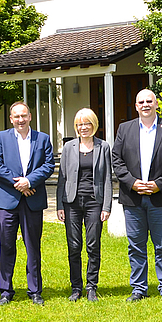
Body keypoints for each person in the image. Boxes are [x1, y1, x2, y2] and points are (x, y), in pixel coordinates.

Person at [111, 89, 162, 303]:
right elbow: (117, 160)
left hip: (160, 197)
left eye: (149, 101)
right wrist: (132, 183)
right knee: (135, 245)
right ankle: (139, 288)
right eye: (141, 102)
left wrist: (158, 185)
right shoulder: (124, 129)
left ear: (156, 105)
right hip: (132, 197)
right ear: (135, 106)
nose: (145, 105)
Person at [0, 101, 55, 305]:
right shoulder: (1, 137)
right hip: (8, 200)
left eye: (24, 115)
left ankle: (35, 291)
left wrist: (30, 181)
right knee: (6, 246)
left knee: (33, 247)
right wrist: (19, 183)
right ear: (11, 119)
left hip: (32, 201)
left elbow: (48, 165)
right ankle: (5, 290)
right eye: (16, 116)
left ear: (30, 117)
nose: (20, 119)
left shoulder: (42, 138)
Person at [56, 108, 112, 302]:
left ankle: (91, 286)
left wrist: (106, 206)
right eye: (79, 125)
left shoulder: (103, 147)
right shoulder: (69, 147)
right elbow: (62, 178)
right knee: (73, 245)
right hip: (71, 202)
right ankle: (76, 287)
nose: (83, 128)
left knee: (93, 244)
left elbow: (107, 179)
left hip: (94, 202)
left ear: (93, 125)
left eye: (86, 124)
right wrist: (59, 206)